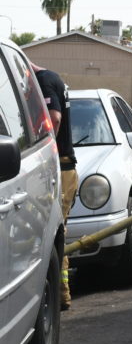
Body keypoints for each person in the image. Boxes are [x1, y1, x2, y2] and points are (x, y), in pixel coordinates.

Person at [32, 62, 77, 310]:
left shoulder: (44, 81)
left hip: (60, 168)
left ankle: (61, 296)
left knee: (55, 234)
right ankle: (60, 295)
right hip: (65, 168)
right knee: (57, 234)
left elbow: (55, 118)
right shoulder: (54, 77)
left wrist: (43, 155)